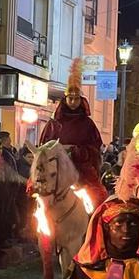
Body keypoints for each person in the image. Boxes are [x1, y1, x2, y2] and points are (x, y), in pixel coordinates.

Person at [39, 58, 107, 205]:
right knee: (35, 189)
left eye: (76, 99)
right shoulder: (54, 123)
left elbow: (95, 147)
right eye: (70, 98)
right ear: (65, 99)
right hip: (55, 166)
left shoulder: (88, 123)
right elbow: (43, 146)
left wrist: (75, 150)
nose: (73, 102)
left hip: (80, 167)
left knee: (97, 196)